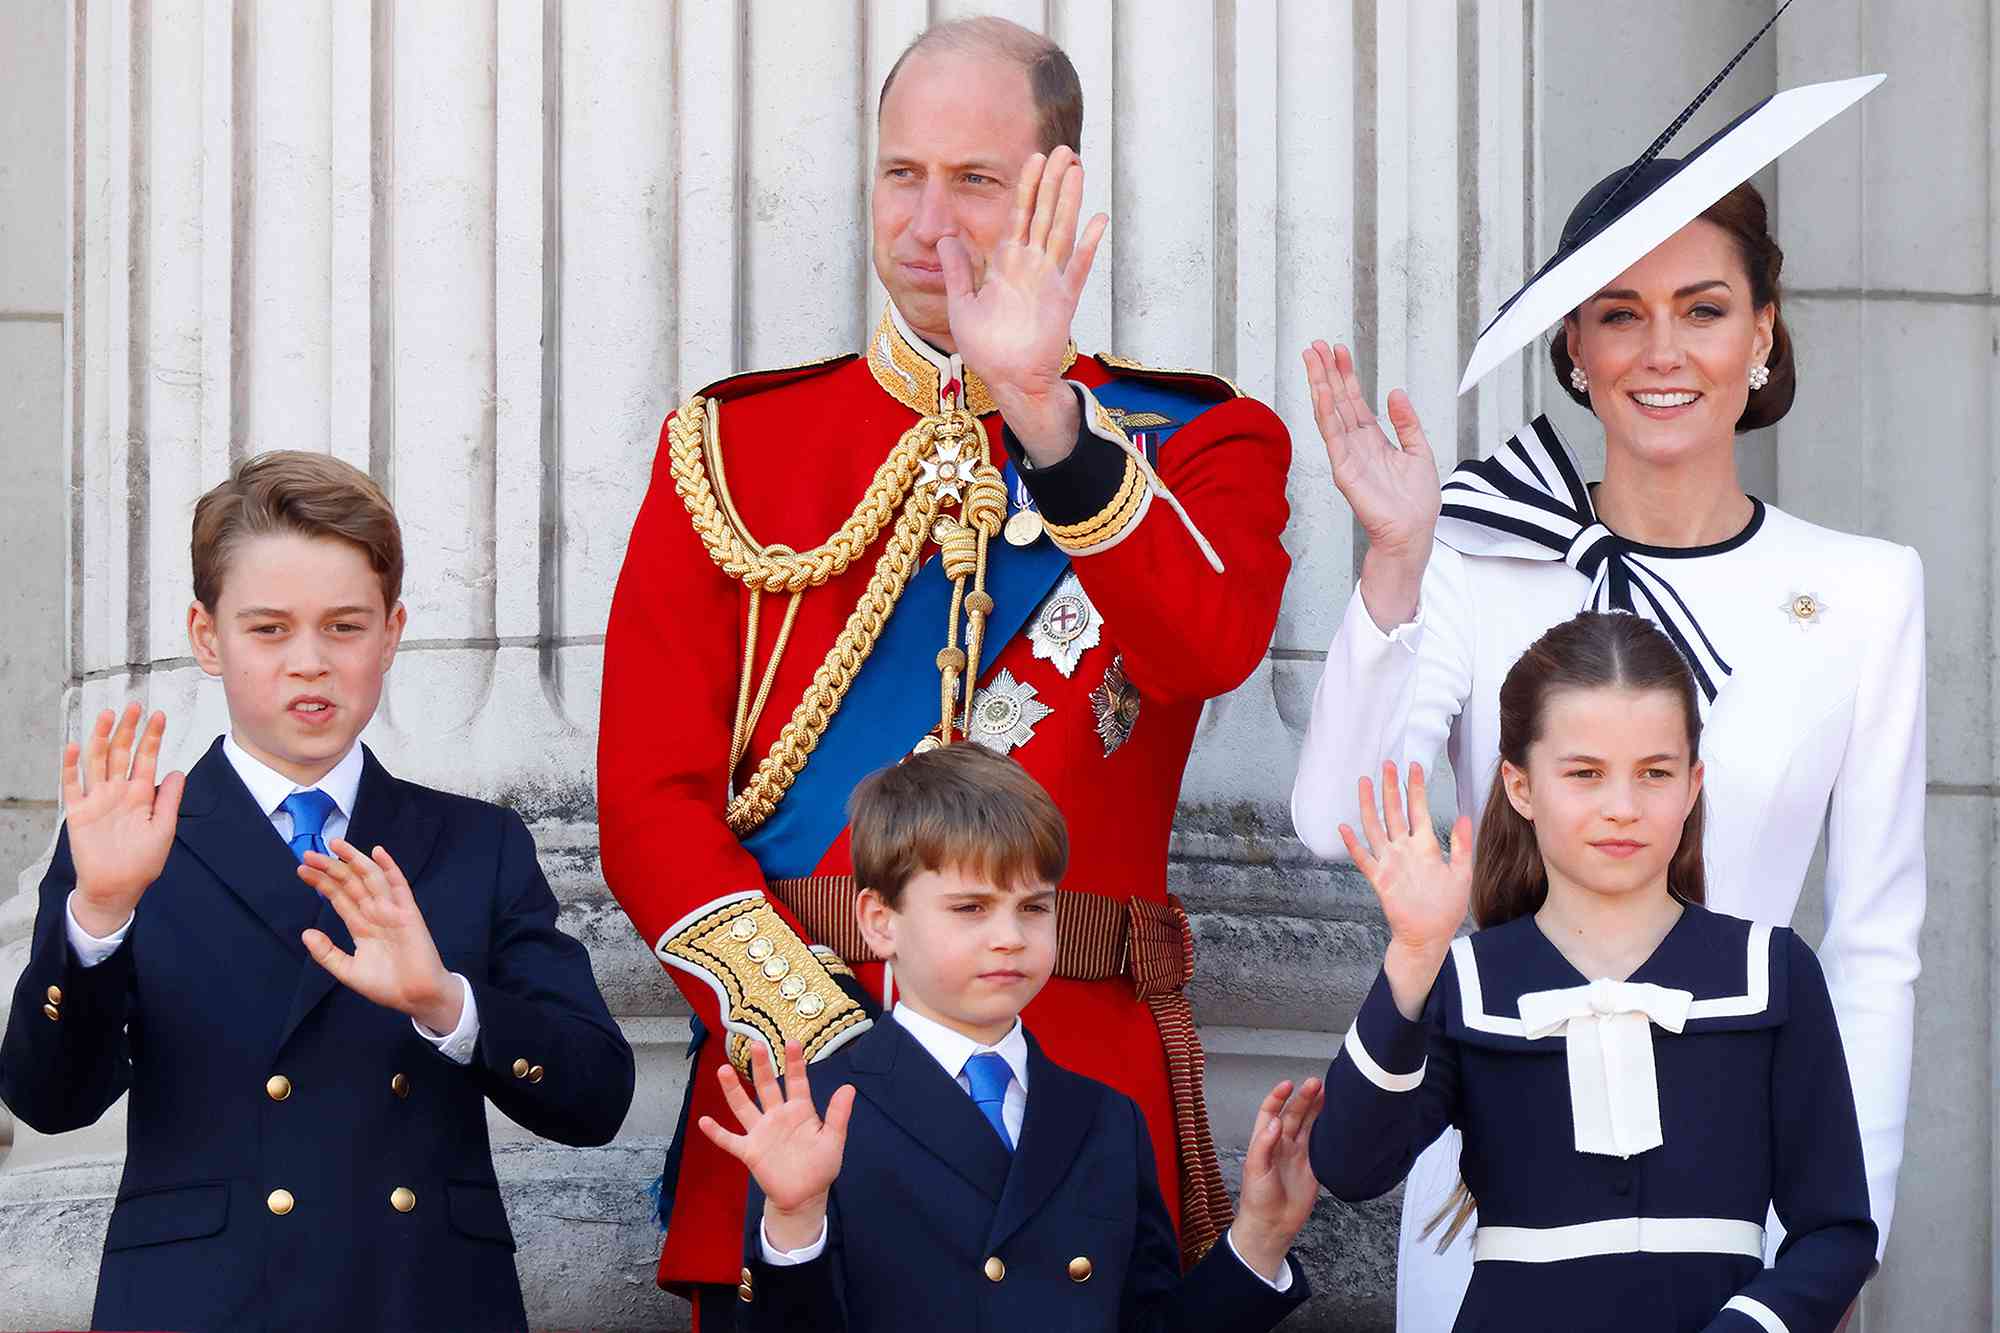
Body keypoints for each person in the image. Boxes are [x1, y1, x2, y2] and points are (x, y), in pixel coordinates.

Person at [597, 17, 1291, 1322]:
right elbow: (647, 802)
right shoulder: (734, 447)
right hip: (798, 1086)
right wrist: (823, 1033)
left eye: (974, 180)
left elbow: (1207, 644)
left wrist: (1045, 416)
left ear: (1057, 190)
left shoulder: (1198, 441)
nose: (928, 219)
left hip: (1070, 1099)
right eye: (901, 174)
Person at [1289, 56, 1918, 1330]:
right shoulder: (1476, 551)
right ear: (1572, 347)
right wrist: (1399, 566)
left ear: (1762, 330)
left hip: (1740, 1207)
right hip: (1489, 1190)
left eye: (1700, 307)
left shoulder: (1862, 590)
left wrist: (1833, 1245)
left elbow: (1870, 951)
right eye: (1618, 313)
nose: (1660, 350)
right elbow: (1334, 822)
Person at [0, 452, 635, 1333]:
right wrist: (99, 916)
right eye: (269, 629)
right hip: (204, 1304)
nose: (310, 662)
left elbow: (597, 1097)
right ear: (205, 635)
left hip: (419, 1299)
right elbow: (48, 1101)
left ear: (391, 631)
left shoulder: (476, 844)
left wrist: (445, 1002)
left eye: (344, 626)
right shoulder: (129, 838)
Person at [1312, 611, 1876, 1333]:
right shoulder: (1468, 981)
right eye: (1585, 773)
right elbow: (1350, 1164)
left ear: (1693, 782)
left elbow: (1838, 1232)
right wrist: (1415, 955)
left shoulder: (1773, 972)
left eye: (1654, 773)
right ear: (1520, 786)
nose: (1622, 807)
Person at [701, 743, 1317, 1331]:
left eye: (1034, 907)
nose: (1010, 936)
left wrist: (1260, 1237)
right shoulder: (821, 1113)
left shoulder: (1106, 1119)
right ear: (880, 922)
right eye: (971, 908)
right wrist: (793, 1222)